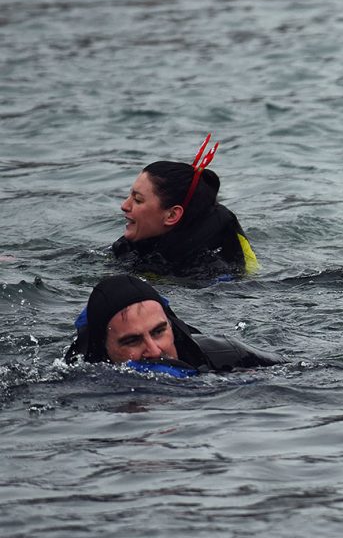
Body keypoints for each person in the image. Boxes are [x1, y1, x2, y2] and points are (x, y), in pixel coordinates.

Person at [64, 274, 283, 373]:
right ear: (103, 348)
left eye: (159, 331)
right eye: (132, 340)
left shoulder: (229, 355)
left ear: (171, 326)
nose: (154, 350)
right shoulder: (81, 376)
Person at [111, 134, 258, 279]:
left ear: (172, 215)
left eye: (137, 200)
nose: (124, 205)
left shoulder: (206, 271)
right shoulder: (133, 248)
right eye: (130, 195)